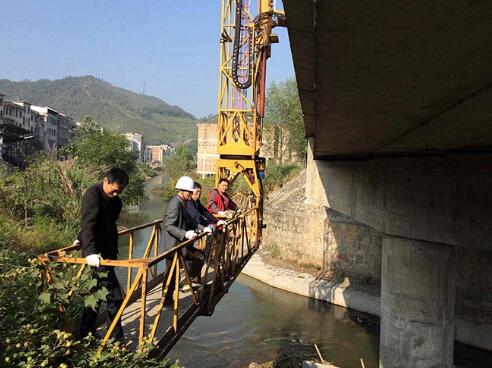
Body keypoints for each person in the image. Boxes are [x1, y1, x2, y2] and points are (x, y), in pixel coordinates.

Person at [78, 167, 129, 342]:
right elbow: (88, 222)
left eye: (119, 191)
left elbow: (105, 223)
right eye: (114, 190)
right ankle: (116, 339)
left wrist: (80, 238)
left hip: (108, 252)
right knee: (114, 297)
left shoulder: (116, 202)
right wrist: (90, 251)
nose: (116, 194)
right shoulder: (93, 194)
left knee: (96, 295)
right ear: (105, 180)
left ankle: (86, 333)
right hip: (96, 257)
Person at [162, 176, 213, 306]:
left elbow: (190, 221)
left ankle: (187, 282)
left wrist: (204, 228)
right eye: (189, 192)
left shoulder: (182, 202)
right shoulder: (175, 203)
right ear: (182, 191)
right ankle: (167, 301)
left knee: (200, 256)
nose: (191, 195)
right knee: (171, 273)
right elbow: (168, 225)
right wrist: (185, 233)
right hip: (173, 245)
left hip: (182, 244)